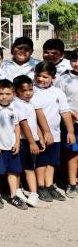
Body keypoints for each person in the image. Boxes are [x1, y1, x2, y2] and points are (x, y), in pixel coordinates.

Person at [32, 61, 75, 201]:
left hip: (55, 134)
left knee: (52, 161)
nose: (41, 79)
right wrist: (45, 133)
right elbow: (39, 114)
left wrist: (70, 131)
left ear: (53, 78)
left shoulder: (58, 92)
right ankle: (41, 186)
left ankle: (50, 185)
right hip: (40, 135)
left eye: (45, 77)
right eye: (38, 76)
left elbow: (65, 112)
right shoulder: (32, 92)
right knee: (41, 161)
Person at [0, 79, 25, 209]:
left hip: (11, 145)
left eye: (8, 94)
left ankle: (13, 195)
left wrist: (17, 142)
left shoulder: (15, 107)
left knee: (13, 171)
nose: (4, 96)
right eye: (0, 93)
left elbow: (17, 126)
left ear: (13, 94)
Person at [12, 75, 43, 208]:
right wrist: (32, 142)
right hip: (22, 141)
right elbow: (24, 125)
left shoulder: (30, 103)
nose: (28, 93)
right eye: (24, 91)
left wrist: (39, 137)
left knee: (30, 167)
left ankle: (33, 193)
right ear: (16, 91)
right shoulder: (16, 104)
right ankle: (18, 190)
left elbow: (34, 122)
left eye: (30, 89)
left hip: (31, 140)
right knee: (18, 168)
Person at [56, 50, 78, 197]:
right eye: (73, 60)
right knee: (72, 153)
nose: (76, 64)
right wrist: (70, 112)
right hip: (72, 123)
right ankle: (71, 183)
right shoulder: (64, 79)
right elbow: (58, 101)